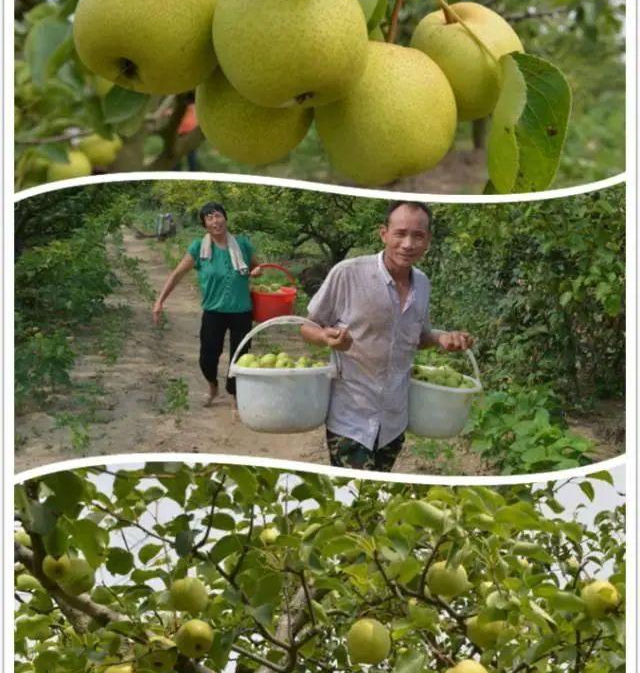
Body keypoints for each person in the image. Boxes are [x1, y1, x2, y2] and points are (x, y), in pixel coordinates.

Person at [300, 201, 473, 472]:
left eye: (418, 236)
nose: (408, 244)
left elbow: (417, 337)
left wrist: (441, 338)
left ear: (427, 239)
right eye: (400, 233)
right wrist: (326, 337)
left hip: (394, 421)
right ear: (384, 234)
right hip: (351, 418)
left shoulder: (423, 283)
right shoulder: (349, 273)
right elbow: (307, 327)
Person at [152, 201, 261, 406]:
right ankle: (213, 385)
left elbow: (258, 266)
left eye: (218, 215)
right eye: (209, 218)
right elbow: (177, 274)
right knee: (207, 359)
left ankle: (236, 395)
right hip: (213, 312)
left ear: (225, 219)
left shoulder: (243, 245)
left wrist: (257, 271)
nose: (215, 221)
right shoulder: (198, 248)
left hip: (241, 312)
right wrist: (159, 301)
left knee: (240, 359)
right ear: (205, 224)